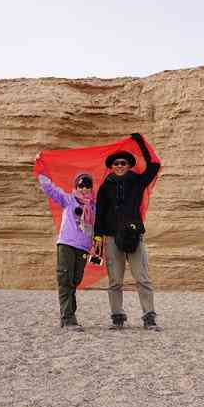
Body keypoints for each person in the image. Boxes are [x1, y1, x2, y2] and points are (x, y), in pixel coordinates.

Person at [93, 133, 162, 331]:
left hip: (134, 237)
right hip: (113, 238)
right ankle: (117, 317)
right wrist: (98, 236)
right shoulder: (105, 187)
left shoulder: (138, 181)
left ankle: (149, 316)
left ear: (129, 165)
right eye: (116, 163)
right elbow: (100, 213)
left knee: (142, 278)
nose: (120, 166)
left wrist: (140, 141)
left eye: (123, 163)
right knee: (115, 280)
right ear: (111, 166)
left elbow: (154, 165)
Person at [37, 169, 97, 331]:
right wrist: (41, 171)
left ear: (92, 188)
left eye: (87, 185)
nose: (84, 188)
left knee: (75, 281)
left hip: (83, 248)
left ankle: (68, 316)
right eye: (81, 185)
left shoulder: (93, 206)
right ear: (76, 186)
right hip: (67, 244)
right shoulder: (68, 200)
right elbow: (51, 190)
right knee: (65, 280)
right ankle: (69, 318)